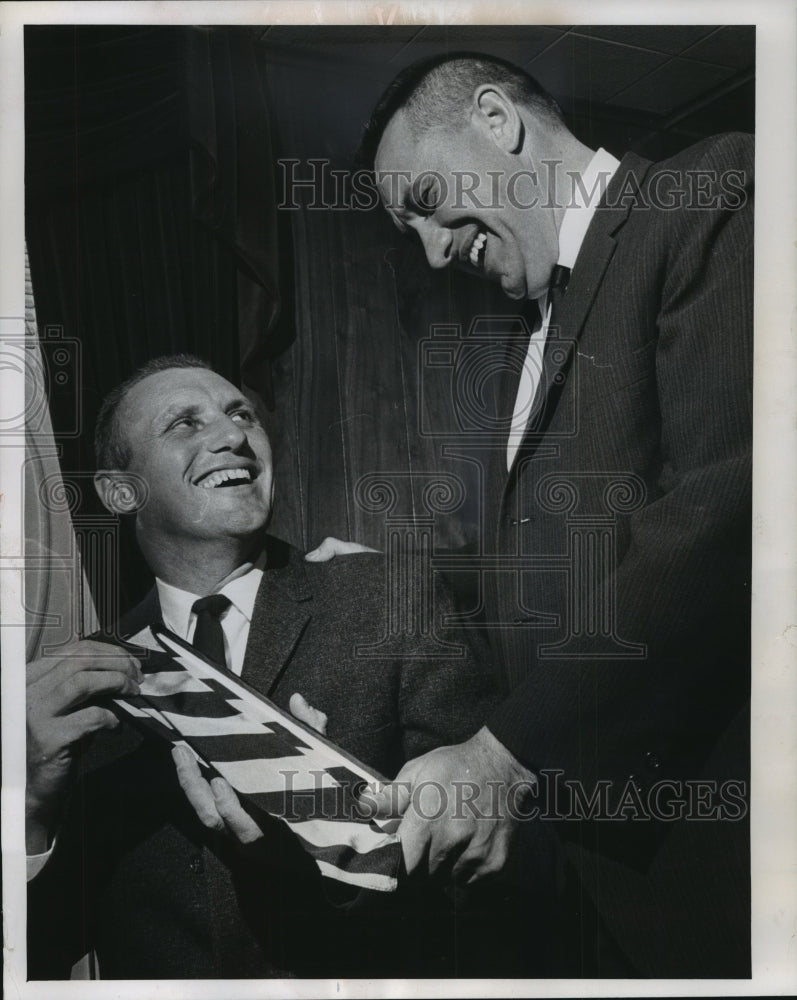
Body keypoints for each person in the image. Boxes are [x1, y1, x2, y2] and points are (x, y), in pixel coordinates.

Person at [349, 52, 753, 977]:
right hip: (586, 884)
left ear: (496, 119)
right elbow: (543, 601)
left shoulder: (709, 192)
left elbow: (724, 510)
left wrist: (500, 759)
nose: (430, 250)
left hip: (711, 866)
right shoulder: (520, 344)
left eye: (422, 200)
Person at [25, 354, 503, 979]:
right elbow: (37, 955)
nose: (232, 436)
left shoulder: (387, 598)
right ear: (121, 491)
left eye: (240, 414)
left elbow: (489, 873)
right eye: (184, 425)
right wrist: (32, 802)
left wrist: (335, 821)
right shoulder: (83, 685)